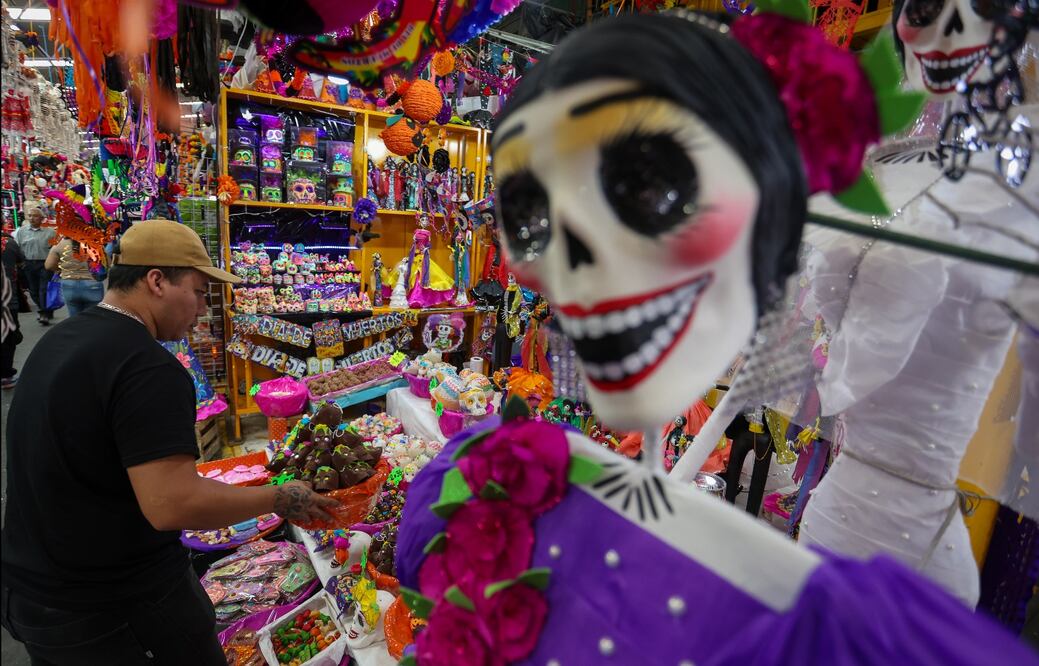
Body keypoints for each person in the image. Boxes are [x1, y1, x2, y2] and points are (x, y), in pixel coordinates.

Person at [0, 219, 338, 665]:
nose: (202, 307)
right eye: (198, 291)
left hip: (36, 590)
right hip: (112, 606)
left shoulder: (63, 337)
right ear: (156, 281)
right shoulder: (147, 368)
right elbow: (172, 505)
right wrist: (278, 498)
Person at [13, 206, 57, 324]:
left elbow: (56, 250)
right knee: (33, 291)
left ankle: (43, 314)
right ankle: (47, 309)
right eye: (30, 216)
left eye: (35, 216)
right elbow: (17, 248)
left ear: (42, 218)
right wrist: (19, 263)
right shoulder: (21, 231)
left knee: (43, 289)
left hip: (45, 264)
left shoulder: (50, 232)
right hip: (28, 264)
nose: (32, 218)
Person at [45, 237, 105, 315]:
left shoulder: (59, 245)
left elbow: (48, 265)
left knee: (75, 318)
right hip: (92, 284)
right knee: (93, 318)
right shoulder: (95, 244)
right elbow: (107, 264)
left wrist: (61, 269)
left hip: (69, 284)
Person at [1, 229, 24, 389]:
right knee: (8, 337)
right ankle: (6, 375)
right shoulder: (9, 243)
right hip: (7, 299)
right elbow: (21, 262)